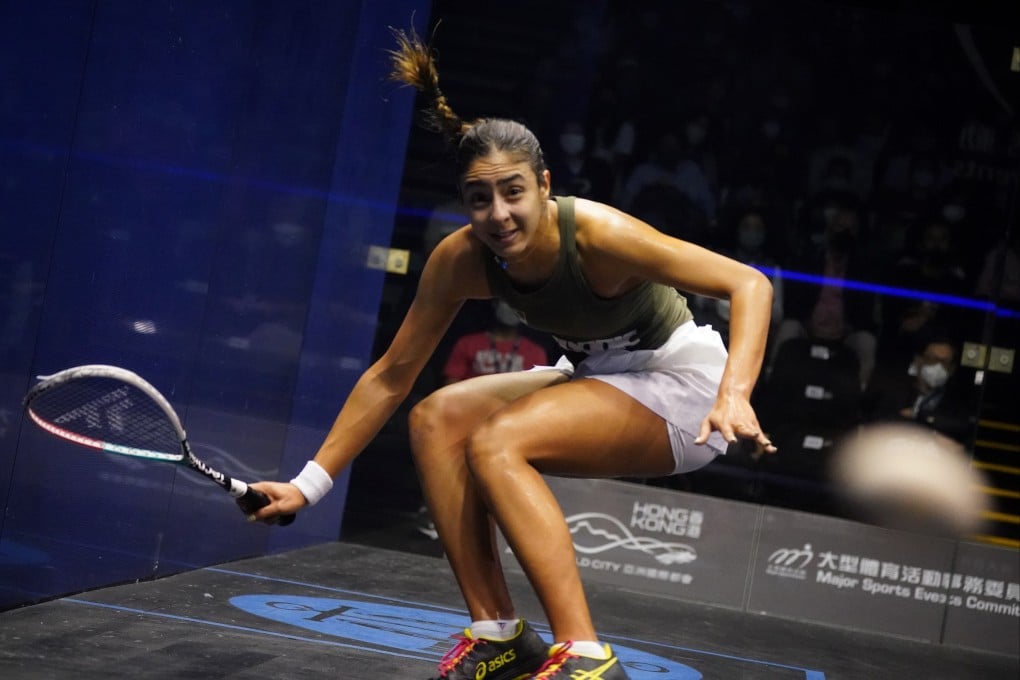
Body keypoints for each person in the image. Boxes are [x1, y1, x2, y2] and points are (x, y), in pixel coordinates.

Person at [250, 28, 776, 680]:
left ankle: (585, 656)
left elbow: (748, 283)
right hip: (593, 376)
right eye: (479, 198)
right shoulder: (460, 262)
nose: (498, 213)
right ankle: (498, 633)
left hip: (684, 388)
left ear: (544, 185)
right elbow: (391, 377)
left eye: (514, 191)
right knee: (435, 418)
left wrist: (735, 393)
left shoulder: (600, 236)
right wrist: (308, 485)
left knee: (498, 441)